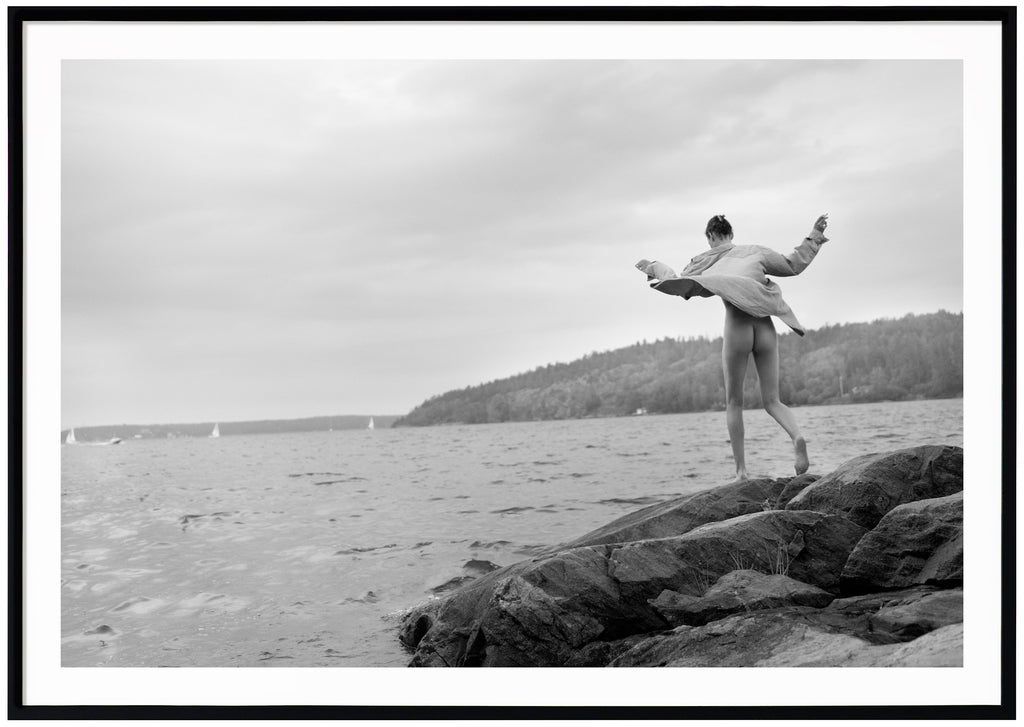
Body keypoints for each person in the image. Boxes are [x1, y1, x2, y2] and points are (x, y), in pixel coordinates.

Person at [636, 213, 829, 482]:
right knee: (772, 400)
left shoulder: (704, 260)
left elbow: (680, 284)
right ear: (731, 235)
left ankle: (741, 472)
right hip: (765, 328)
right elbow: (792, 264)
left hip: (737, 328)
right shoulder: (755, 252)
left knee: (734, 402)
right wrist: (814, 236)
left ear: (711, 237)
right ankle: (798, 437)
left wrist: (654, 268)